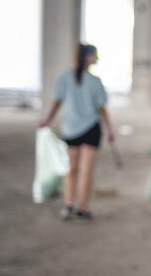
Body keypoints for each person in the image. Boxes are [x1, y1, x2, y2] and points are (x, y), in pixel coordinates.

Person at [39, 43, 114, 221]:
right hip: (90, 129)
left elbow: (57, 102)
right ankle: (82, 207)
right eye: (95, 55)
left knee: (72, 168)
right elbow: (102, 109)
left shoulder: (66, 78)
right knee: (85, 170)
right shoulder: (95, 82)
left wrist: (48, 119)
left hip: (71, 129)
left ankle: (69, 204)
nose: (97, 58)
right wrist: (110, 129)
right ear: (88, 57)